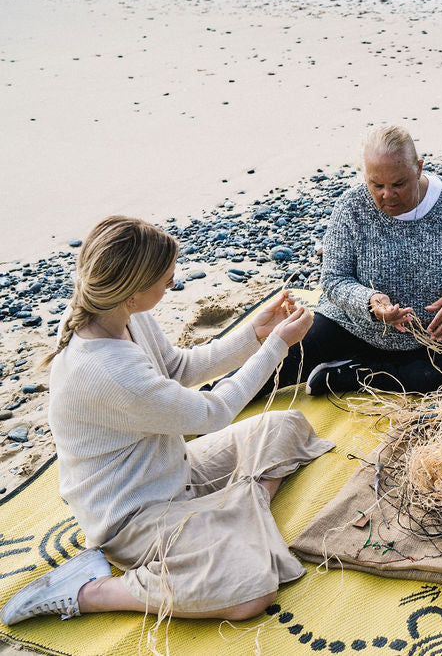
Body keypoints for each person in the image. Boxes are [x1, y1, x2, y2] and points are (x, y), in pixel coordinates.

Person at [0, 216, 333, 625]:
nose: (171, 286)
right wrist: (278, 346)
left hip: (174, 469)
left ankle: (245, 507)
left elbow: (179, 367)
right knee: (251, 592)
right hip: (134, 517)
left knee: (286, 427)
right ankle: (88, 590)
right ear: (134, 291)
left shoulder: (121, 313)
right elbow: (212, 413)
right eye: (166, 280)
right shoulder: (109, 371)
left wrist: (256, 335)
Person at [262, 124, 442, 397]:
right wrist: (369, 302)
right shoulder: (351, 206)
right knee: (278, 362)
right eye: (376, 185)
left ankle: (353, 375)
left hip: (439, 337)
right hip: (354, 327)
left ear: (419, 169)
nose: (387, 195)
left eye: (398, 184)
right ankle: (214, 397)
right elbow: (333, 279)